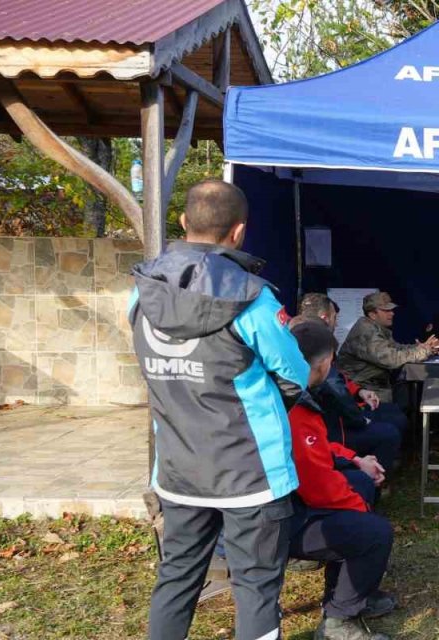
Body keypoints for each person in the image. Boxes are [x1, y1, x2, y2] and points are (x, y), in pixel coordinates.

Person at [133, 179, 310, 640]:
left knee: (177, 578)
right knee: (255, 587)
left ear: (184, 222)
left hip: (178, 468)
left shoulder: (141, 293)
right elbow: (294, 374)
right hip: (250, 473)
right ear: (239, 233)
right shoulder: (253, 299)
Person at [286, 321, 395, 640]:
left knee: (359, 486)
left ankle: (353, 592)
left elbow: (316, 446)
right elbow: (318, 485)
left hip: (279, 504)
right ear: (325, 362)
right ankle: (338, 621)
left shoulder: (287, 388)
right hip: (274, 519)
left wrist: (357, 460)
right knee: (374, 532)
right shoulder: (294, 404)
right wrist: (358, 508)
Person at [294, 295, 404, 475]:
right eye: (335, 317)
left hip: (338, 412)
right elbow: (334, 387)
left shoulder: (300, 334)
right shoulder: (317, 342)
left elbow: (338, 378)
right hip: (329, 425)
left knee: (394, 413)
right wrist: (360, 420)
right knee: (389, 430)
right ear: (325, 318)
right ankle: (371, 480)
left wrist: (359, 391)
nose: (337, 324)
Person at [339, 291, 439, 399]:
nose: (392, 313)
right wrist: (423, 351)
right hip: (362, 390)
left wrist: (419, 347)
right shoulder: (366, 332)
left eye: (391, 310)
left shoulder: (376, 328)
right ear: (372, 314)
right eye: (386, 310)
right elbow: (391, 358)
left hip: (374, 386)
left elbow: (395, 348)